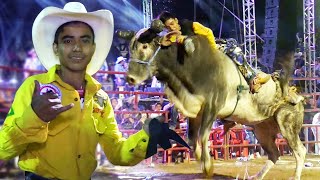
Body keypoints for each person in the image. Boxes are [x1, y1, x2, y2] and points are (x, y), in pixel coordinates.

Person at [0, 3, 188, 180]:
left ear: (92, 48)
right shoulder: (34, 87)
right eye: (68, 40)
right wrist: (34, 118)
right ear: (56, 48)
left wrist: (147, 137)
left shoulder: (101, 99)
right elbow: (2, 149)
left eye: (85, 40)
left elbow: (117, 153)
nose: (77, 47)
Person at [157, 11, 270, 93]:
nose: (171, 28)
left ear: (176, 20)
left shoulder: (191, 25)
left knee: (235, 50)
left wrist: (213, 49)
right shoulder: (168, 40)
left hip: (208, 50)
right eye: (168, 27)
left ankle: (253, 80)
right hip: (192, 64)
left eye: (172, 23)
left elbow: (208, 33)